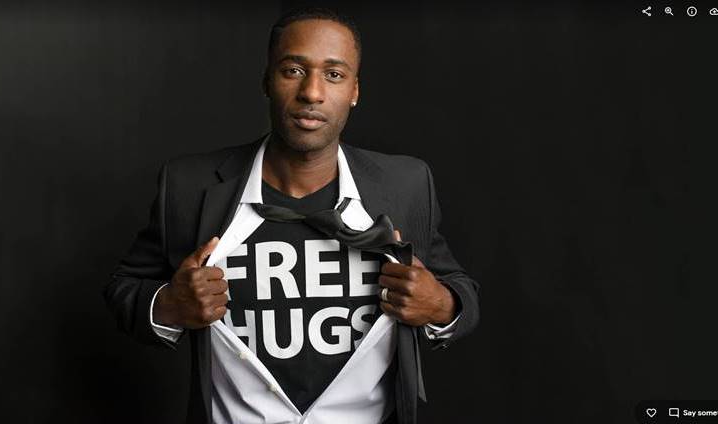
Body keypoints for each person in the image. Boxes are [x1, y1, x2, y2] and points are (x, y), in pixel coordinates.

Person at [104, 7, 480, 424]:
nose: (312, 93)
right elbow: (124, 289)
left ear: (354, 90)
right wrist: (168, 307)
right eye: (294, 70)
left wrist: (440, 305)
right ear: (267, 80)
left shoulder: (405, 184)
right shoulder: (189, 186)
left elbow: (458, 291)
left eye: (334, 74)